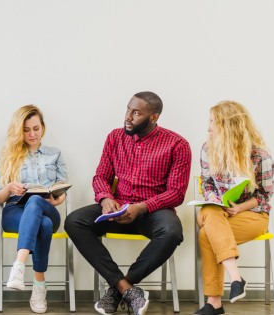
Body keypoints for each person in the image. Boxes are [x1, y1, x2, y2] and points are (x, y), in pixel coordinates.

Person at [65, 92, 191, 315]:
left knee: (171, 231)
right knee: (74, 221)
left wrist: (141, 207)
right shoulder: (115, 137)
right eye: (128, 110)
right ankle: (127, 289)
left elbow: (176, 193)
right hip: (117, 208)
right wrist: (106, 198)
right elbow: (101, 176)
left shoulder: (177, 144)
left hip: (152, 211)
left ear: (154, 117)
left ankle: (117, 290)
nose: (128, 117)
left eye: (136, 113)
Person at [193, 101, 274, 315]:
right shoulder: (207, 149)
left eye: (214, 123)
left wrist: (240, 208)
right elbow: (207, 183)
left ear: (230, 127)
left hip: (251, 215)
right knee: (211, 212)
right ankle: (236, 278)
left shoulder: (260, 156)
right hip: (215, 212)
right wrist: (215, 200)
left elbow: (265, 196)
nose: (209, 128)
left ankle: (214, 304)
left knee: (206, 235)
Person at [0, 105, 68, 314]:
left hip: (48, 209)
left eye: (36, 128)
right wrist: (10, 188)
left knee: (36, 201)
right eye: (26, 130)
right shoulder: (8, 155)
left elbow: (62, 192)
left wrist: (57, 198)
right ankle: (39, 286)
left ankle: (18, 265)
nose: (32, 134)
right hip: (14, 211)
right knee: (42, 225)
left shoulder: (56, 154)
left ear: (43, 127)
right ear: (19, 130)